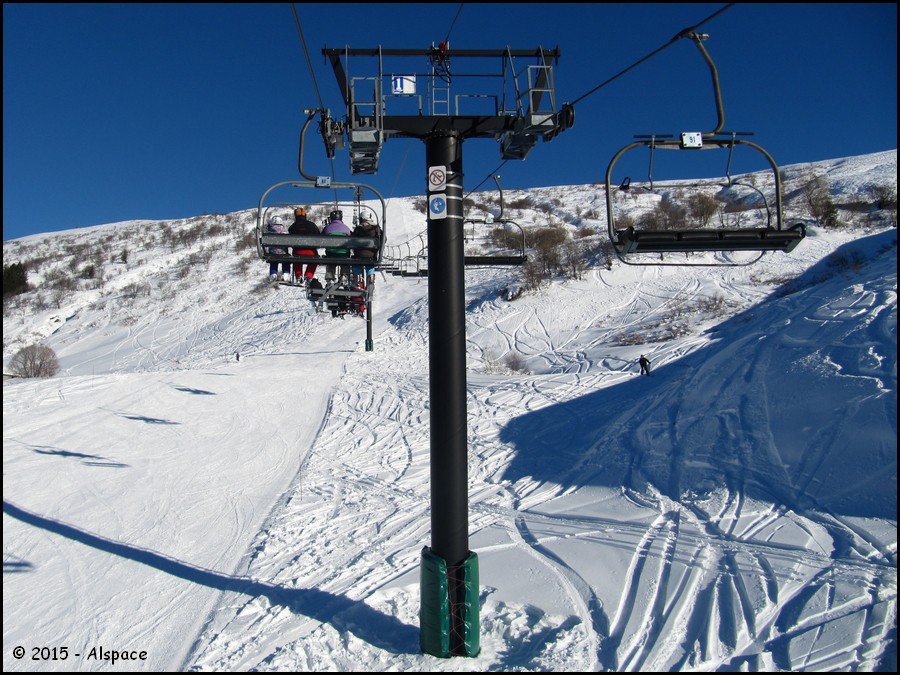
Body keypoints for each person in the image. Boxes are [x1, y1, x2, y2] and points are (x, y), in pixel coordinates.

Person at [288, 207, 320, 285]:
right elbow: (319, 237)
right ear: (305, 215)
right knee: (315, 259)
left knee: (297, 259)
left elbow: (290, 240)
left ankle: (298, 275)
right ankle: (308, 276)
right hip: (311, 252)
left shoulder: (292, 226)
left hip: (298, 252)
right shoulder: (312, 225)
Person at [350, 211, 381, 288]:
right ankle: (370, 276)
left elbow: (352, 240)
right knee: (370, 265)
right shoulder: (376, 228)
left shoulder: (358, 228)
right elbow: (384, 238)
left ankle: (357, 277)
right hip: (371, 255)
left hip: (359, 255)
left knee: (357, 263)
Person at [322, 209, 352, 284]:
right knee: (345, 260)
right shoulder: (346, 228)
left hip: (330, 253)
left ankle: (330, 277)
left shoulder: (327, 228)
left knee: (330, 262)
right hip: (343, 254)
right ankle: (344, 274)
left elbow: (321, 238)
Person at [266, 215, 289, 281]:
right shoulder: (284, 230)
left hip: (273, 252)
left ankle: (273, 274)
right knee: (286, 261)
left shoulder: (270, 230)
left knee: (273, 261)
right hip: (283, 252)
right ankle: (286, 273)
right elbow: (288, 240)